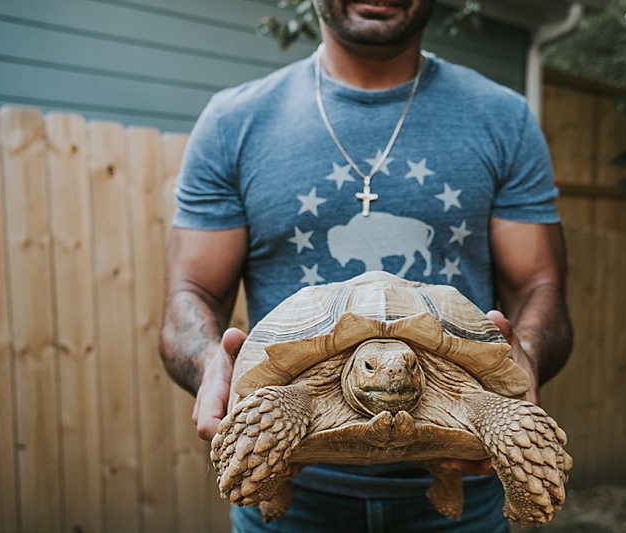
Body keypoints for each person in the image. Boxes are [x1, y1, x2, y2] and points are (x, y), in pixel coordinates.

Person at [159, 0, 573, 531]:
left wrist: (524, 366)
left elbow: (540, 284)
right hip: (291, 480)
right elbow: (189, 291)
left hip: (467, 488)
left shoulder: (505, 119)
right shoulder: (231, 122)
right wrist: (211, 368)